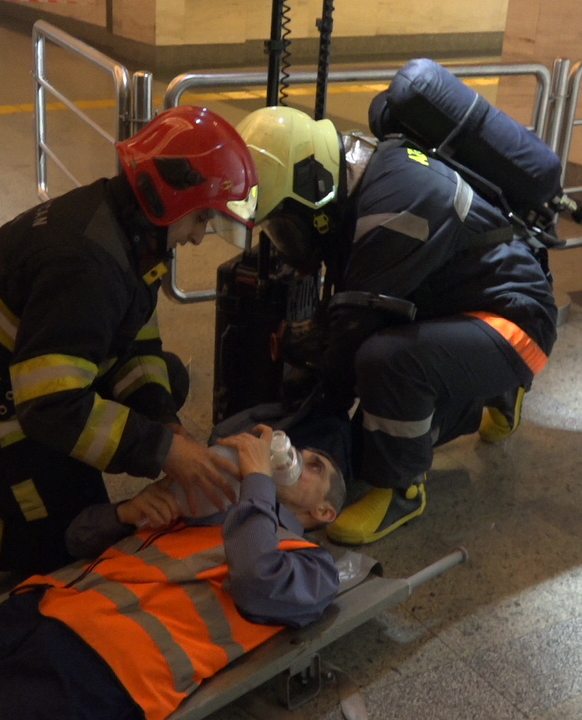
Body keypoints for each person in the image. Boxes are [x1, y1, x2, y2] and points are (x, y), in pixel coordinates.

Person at [0, 106, 262, 589]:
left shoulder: (127, 231)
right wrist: (161, 449)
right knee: (72, 537)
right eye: (202, 218)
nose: (197, 237)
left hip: (6, 379)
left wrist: (163, 423)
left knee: (167, 379)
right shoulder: (86, 266)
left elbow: (136, 341)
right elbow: (49, 406)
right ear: (172, 200)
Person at [0, 426, 344, 720]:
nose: (298, 458)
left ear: (324, 512)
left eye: (314, 466)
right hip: (39, 609)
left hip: (109, 664)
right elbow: (75, 541)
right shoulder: (212, 508)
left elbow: (257, 581)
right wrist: (125, 513)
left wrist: (257, 483)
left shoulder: (311, 563)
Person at [236, 104, 558, 546]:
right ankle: (494, 389)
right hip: (468, 305)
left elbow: (353, 333)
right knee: (377, 414)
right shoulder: (364, 173)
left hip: (514, 325)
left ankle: (401, 490)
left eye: (283, 222)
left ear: (312, 184)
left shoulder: (391, 210)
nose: (284, 237)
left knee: (385, 360)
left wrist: (310, 398)